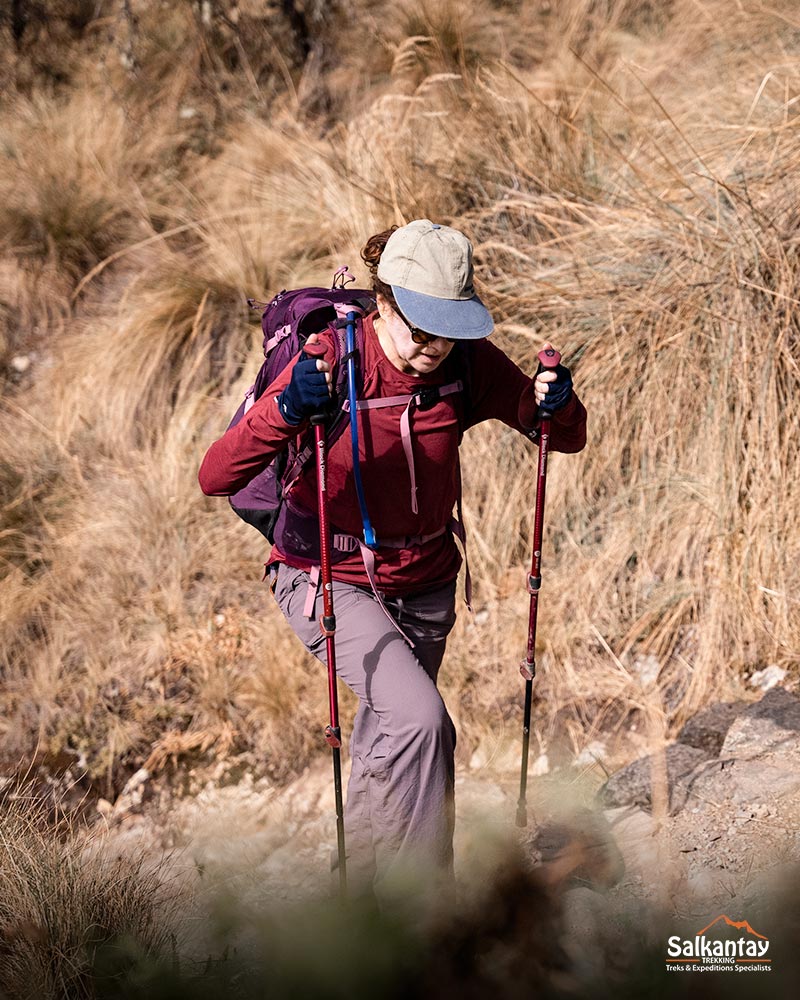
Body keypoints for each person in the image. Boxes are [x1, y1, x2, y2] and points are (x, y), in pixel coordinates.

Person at [198, 219, 587, 897]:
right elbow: (214, 475)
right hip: (325, 578)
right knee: (422, 724)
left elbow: (558, 433)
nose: (438, 345)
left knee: (391, 749)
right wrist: (288, 409)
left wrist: (556, 399)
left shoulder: (466, 360)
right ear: (384, 304)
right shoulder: (330, 360)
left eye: (452, 327)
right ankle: (424, 921)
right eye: (424, 327)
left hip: (427, 583)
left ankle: (360, 922)